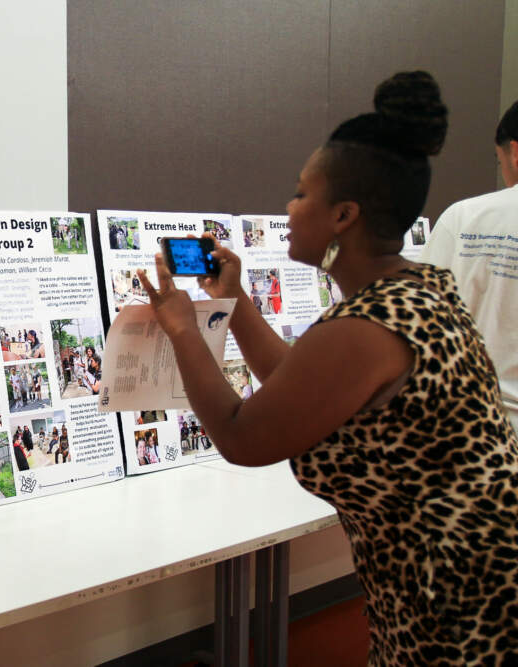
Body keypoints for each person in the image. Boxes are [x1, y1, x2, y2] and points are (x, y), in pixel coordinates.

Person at [138, 71, 518, 664]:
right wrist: (233, 304)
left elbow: (243, 435)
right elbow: (303, 381)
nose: (288, 209)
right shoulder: (414, 289)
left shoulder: (366, 329)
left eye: (299, 194)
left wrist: (184, 329)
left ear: (343, 215)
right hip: (456, 581)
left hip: (464, 611)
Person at [421, 98, 518, 431]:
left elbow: (416, 324)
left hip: (475, 433)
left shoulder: (465, 218)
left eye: (499, 159)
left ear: (516, 153)